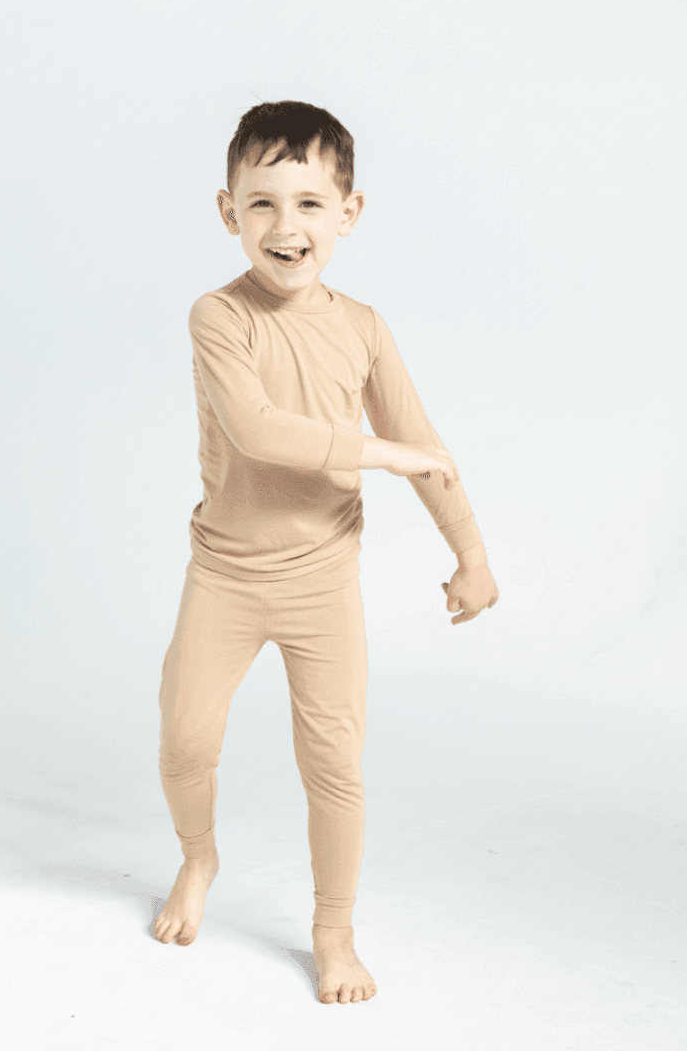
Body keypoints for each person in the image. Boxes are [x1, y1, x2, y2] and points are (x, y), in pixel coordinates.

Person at [152, 100, 500, 1005]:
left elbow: (426, 445)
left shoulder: (365, 328)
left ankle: (333, 931)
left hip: (321, 583)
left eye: (309, 203)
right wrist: (381, 454)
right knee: (185, 739)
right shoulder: (218, 316)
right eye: (262, 203)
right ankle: (198, 859)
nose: (286, 225)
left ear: (349, 213)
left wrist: (470, 553)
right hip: (226, 575)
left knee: (335, 764)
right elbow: (259, 431)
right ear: (228, 211)